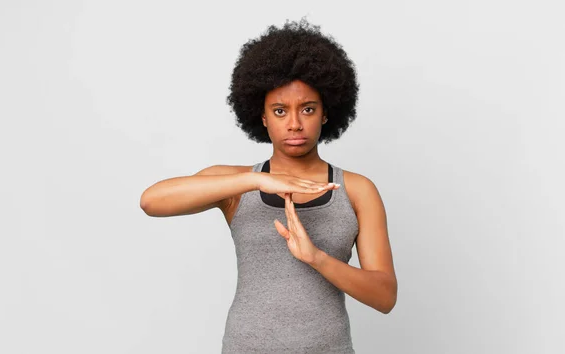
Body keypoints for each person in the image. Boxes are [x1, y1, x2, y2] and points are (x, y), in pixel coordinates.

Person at [140, 18, 397, 354]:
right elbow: (151, 201)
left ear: (325, 113)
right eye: (279, 111)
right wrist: (256, 179)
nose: (294, 124)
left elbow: (384, 296)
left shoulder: (357, 190)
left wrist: (317, 258)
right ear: (261, 116)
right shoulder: (237, 185)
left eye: (307, 109)